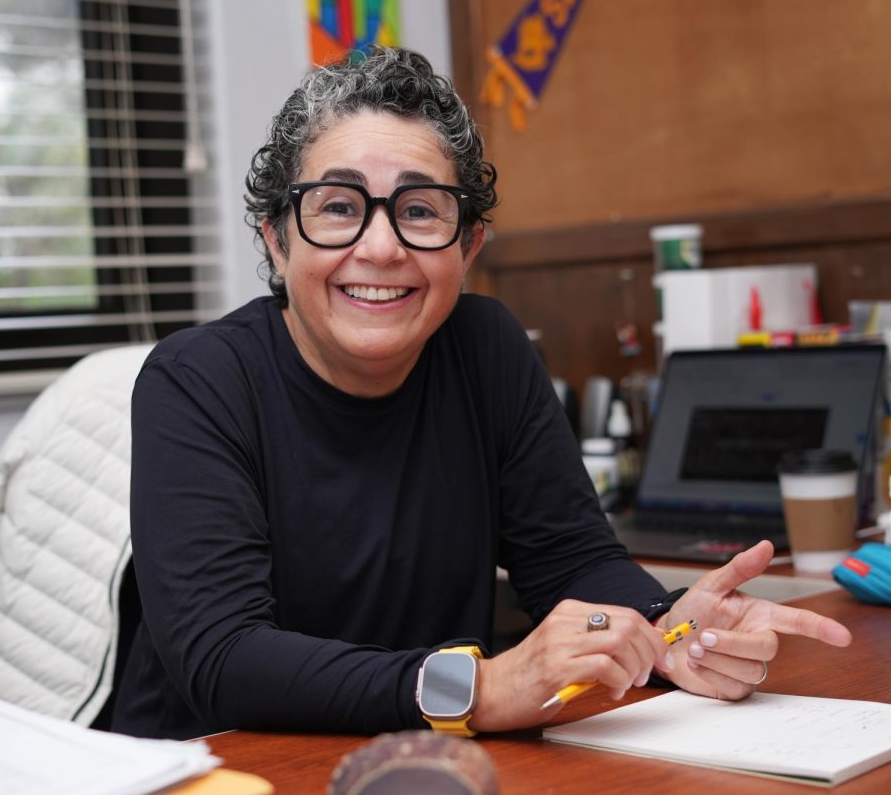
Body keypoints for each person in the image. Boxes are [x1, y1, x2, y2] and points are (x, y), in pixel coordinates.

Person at [112, 46, 851, 741]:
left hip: (427, 762)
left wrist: (668, 630)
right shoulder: (197, 380)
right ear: (277, 239)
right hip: (216, 765)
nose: (380, 247)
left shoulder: (485, 347)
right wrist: (479, 689)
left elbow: (570, 561)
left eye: (420, 210)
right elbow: (224, 660)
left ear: (468, 248)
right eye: (338, 208)